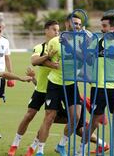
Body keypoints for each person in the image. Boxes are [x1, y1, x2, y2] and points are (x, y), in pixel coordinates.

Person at [8, 20, 60, 156]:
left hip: (55, 91)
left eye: (58, 30)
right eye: (54, 29)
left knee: (48, 120)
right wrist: (49, 57)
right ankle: (15, 144)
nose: (57, 32)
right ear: (46, 31)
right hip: (40, 90)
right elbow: (34, 61)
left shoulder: (61, 48)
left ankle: (34, 146)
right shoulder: (40, 47)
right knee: (29, 115)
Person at [35, 14, 83, 156]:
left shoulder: (81, 41)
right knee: (49, 117)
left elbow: (83, 59)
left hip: (71, 84)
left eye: (79, 24)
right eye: (75, 23)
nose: (77, 27)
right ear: (67, 24)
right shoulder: (55, 41)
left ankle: (61, 145)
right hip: (55, 84)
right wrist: (52, 64)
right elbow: (44, 60)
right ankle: (40, 150)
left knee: (76, 117)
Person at [87, 14, 114, 156]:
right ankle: (81, 150)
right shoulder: (98, 42)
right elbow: (88, 60)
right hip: (98, 88)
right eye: (102, 26)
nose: (102, 29)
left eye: (105, 26)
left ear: (113, 27)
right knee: (94, 122)